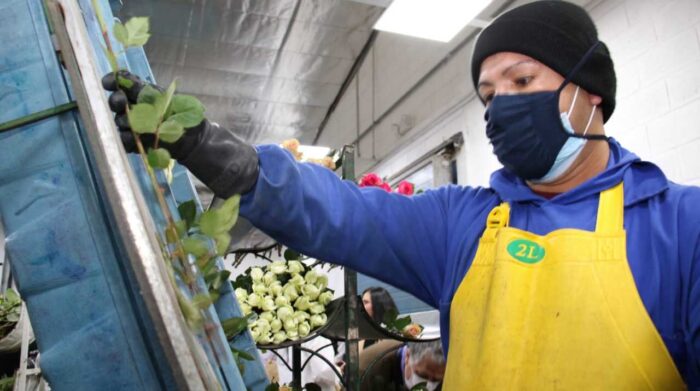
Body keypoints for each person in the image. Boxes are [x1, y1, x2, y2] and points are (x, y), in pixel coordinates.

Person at [102, 1, 700, 388]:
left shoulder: (682, 228)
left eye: (523, 81)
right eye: (490, 95)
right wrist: (212, 150)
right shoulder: (465, 224)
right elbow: (341, 213)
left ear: (588, 93)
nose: (503, 106)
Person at [359, 340, 445, 391]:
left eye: (435, 380)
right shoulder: (366, 372)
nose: (428, 386)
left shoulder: (449, 372)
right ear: (408, 356)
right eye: (423, 375)